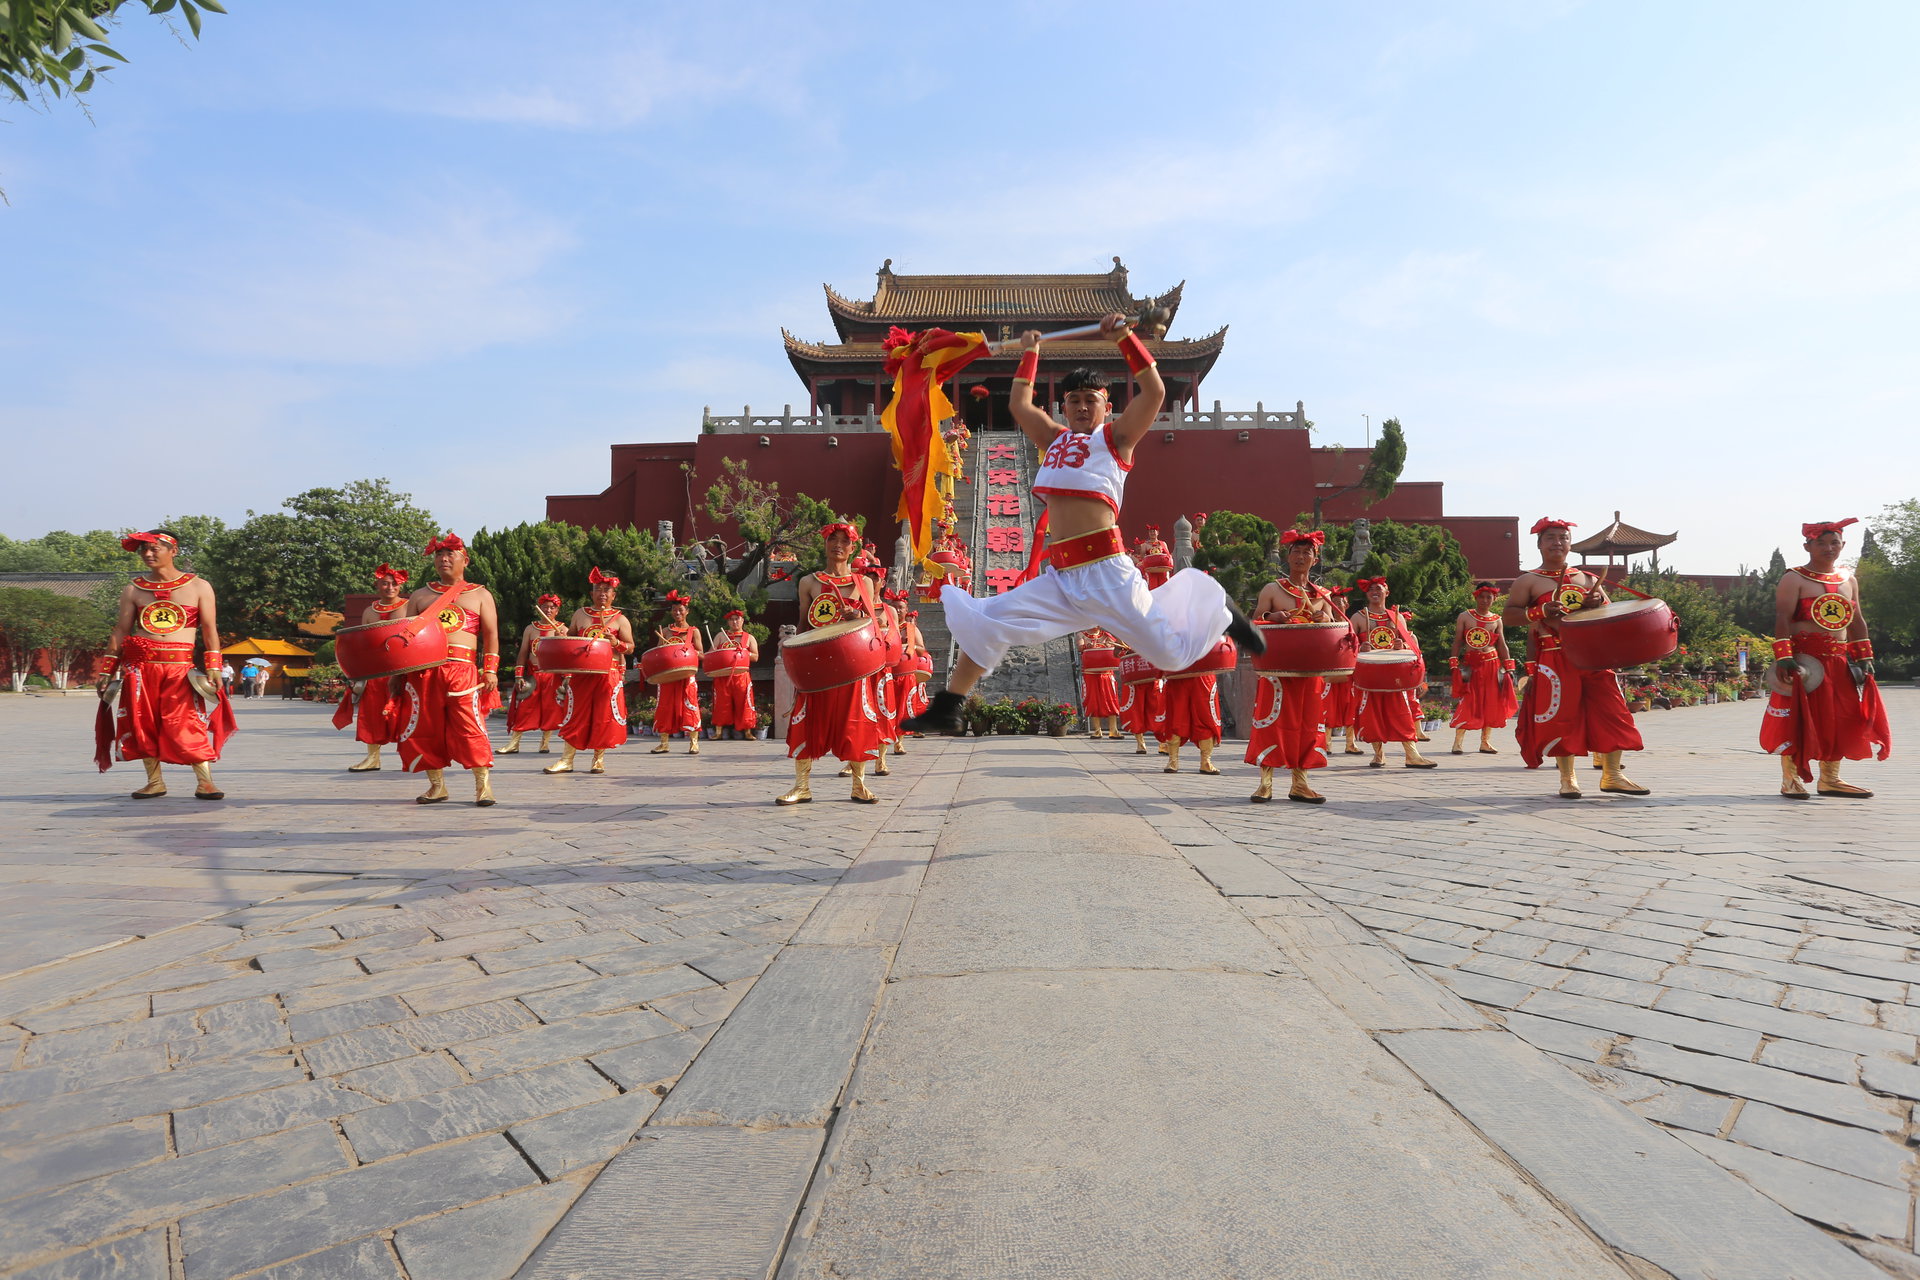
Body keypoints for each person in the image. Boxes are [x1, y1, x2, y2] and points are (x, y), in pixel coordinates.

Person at [904, 315, 1261, 734]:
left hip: (1107, 573)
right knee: (986, 619)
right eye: (1074, 399)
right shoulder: (1054, 439)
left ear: (1107, 407)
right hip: (1062, 576)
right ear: (1064, 406)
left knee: (1169, 654)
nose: (1081, 406)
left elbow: (1156, 390)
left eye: (1091, 399)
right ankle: (948, 706)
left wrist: (1124, 338)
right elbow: (1020, 405)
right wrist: (1031, 352)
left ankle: (1217, 607)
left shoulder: (1116, 439)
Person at [1505, 518, 1646, 799]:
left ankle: (1613, 775)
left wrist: (1596, 604)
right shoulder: (1528, 580)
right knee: (1562, 716)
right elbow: (1509, 617)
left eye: (1563, 537)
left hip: (1594, 658)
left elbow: (1609, 615)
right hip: (1556, 658)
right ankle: (1568, 778)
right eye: (1551, 538)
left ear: (1570, 544)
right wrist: (1540, 611)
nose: (1558, 542)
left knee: (1613, 712)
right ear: (1539, 544)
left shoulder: (1589, 578)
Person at [94, 529, 237, 799]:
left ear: (174, 551)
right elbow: (121, 630)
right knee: (141, 723)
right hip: (140, 668)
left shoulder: (198, 586)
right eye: (143, 551)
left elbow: (209, 629)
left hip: (180, 669)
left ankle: (205, 781)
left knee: (187, 722)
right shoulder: (134, 588)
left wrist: (214, 667)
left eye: (153, 549)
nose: (147, 555)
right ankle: (154, 781)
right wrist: (107, 670)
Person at [1761, 518, 1892, 798]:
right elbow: (1782, 617)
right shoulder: (1793, 578)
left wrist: (1864, 655)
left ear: (1842, 545)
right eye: (1821, 543)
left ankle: (1830, 779)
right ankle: (1791, 780)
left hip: (1839, 662)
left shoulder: (1848, 579)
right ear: (1807, 545)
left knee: (1841, 718)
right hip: (1804, 663)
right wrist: (1784, 656)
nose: (1828, 548)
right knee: (1798, 718)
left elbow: (1857, 620)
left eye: (1834, 543)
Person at [779, 522, 885, 804]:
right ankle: (802, 786)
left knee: (856, 722)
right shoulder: (809, 582)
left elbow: (880, 623)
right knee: (806, 720)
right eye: (832, 539)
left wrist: (856, 618)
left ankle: (858, 785)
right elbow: (803, 625)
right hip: (817, 667)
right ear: (825, 544)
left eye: (844, 541)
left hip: (853, 666)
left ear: (853, 549)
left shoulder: (865, 583)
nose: (838, 545)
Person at [395, 533, 500, 806]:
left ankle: (483, 786)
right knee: (424, 727)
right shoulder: (420, 595)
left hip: (462, 670)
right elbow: (404, 637)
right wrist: (398, 674)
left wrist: (490, 669)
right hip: (424, 671)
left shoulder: (480, 594)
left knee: (471, 727)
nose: (443, 559)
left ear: (464, 560)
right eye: (439, 555)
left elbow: (491, 635)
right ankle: (437, 786)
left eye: (449, 555)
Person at [1245, 530, 1344, 803]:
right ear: (1288, 557)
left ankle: (1300, 783)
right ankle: (1265, 782)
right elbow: (1255, 623)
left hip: (1310, 670)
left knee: (1307, 724)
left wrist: (1324, 617)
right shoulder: (1272, 589)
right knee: (1273, 721)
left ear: (1315, 559)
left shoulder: (1322, 594)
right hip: (1278, 669)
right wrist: (1272, 616)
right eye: (1296, 552)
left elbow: (1333, 630)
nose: (1301, 557)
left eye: (1307, 553)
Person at [546, 568, 633, 775]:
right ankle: (567, 759)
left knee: (603, 716)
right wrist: (562, 635)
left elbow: (630, 647)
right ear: (591, 593)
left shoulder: (620, 619)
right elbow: (571, 641)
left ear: (614, 595)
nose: (602, 593)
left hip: (607, 673)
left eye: (606, 590)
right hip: (582, 674)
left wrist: (617, 643)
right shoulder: (580, 614)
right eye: (598, 589)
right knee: (575, 714)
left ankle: (598, 759)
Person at [1350, 578, 1438, 769]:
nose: (1375, 591)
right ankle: (1378, 754)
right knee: (1372, 713)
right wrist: (1359, 646)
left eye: (1379, 588)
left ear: (1386, 593)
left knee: (1402, 712)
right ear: (1367, 594)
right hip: (1369, 675)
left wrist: (1402, 644)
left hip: (1394, 676)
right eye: (1371, 589)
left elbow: (1411, 645)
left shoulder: (1397, 616)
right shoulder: (1358, 617)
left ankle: (1411, 754)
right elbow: (1346, 645)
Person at [332, 564, 409, 771]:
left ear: (401, 586)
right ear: (377, 585)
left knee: (407, 712)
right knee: (371, 714)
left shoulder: (409, 607)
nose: (390, 587)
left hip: (403, 668)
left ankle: (412, 756)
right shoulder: (369, 611)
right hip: (376, 671)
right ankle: (373, 758)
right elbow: (361, 643)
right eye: (385, 583)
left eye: (394, 583)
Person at [1448, 581, 1519, 755]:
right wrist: (1454, 662)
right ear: (1476, 597)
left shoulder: (1496, 620)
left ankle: (1485, 743)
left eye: (1489, 597)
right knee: (1468, 700)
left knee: (1491, 702)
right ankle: (1458, 742)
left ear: (1494, 598)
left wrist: (1508, 666)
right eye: (1482, 596)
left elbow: (1502, 644)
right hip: (1471, 665)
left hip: (1492, 665)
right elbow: (1458, 640)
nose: (1485, 600)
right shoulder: (1465, 616)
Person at [504, 593, 568, 755]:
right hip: (533, 674)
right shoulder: (531, 629)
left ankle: (545, 743)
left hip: (552, 675)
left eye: (552, 607)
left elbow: (568, 655)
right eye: (545, 606)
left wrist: (567, 677)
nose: (548, 610)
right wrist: (519, 675)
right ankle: (514, 743)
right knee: (524, 707)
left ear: (557, 611)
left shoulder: (563, 629)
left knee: (551, 709)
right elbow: (523, 652)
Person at [648, 590, 703, 754]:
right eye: (674, 610)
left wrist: (686, 651)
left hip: (686, 674)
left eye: (681, 610)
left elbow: (701, 654)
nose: (677, 613)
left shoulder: (694, 631)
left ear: (687, 611)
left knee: (690, 704)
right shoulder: (665, 631)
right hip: (667, 675)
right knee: (664, 706)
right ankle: (664, 742)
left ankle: (694, 742)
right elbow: (658, 652)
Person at [709, 607, 760, 740]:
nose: (734, 622)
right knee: (721, 703)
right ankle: (718, 731)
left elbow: (755, 656)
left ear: (742, 620)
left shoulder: (749, 638)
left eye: (737, 619)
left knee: (744, 702)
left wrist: (743, 653)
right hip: (723, 676)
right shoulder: (721, 636)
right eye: (731, 620)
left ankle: (748, 731)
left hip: (741, 676)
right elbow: (711, 653)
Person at [1079, 627, 1122, 739]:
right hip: (1090, 673)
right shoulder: (1081, 634)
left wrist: (1110, 644)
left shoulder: (1106, 633)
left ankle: (1113, 729)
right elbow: (1080, 647)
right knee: (1093, 700)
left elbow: (1118, 644)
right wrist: (1086, 646)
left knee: (1111, 699)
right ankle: (1097, 730)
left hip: (1106, 672)